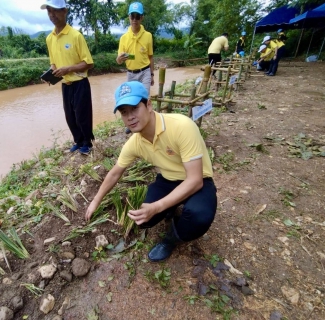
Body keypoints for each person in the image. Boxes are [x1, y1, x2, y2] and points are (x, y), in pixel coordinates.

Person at [85, 81, 217, 262]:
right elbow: (115, 172)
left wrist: (157, 206)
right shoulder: (135, 142)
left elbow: (195, 180)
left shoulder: (181, 126)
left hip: (198, 180)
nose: (130, 117)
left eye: (134, 108)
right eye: (124, 112)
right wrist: (95, 201)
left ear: (148, 105)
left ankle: (171, 239)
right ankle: (171, 208)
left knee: (199, 216)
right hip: (168, 179)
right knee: (144, 220)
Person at [41, 0, 94, 155]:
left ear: (65, 11)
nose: (52, 15)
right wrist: (49, 74)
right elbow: (53, 63)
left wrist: (68, 69)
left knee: (82, 115)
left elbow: (88, 63)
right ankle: (78, 141)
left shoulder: (76, 36)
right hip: (65, 84)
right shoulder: (49, 38)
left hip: (80, 83)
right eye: (49, 11)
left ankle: (87, 143)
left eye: (55, 10)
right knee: (70, 115)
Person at [116, 2, 154, 95]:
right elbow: (119, 60)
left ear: (142, 17)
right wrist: (119, 59)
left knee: (144, 98)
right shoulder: (123, 38)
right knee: (132, 101)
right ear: (129, 17)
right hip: (131, 74)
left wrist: (152, 75)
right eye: (132, 16)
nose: (134, 20)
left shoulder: (148, 36)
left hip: (145, 72)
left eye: (137, 16)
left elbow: (151, 57)